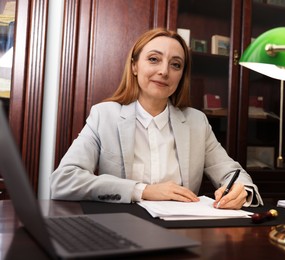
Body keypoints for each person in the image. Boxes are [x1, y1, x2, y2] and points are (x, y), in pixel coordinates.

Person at [50, 28, 262, 209]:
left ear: (181, 76)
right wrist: (143, 191)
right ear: (134, 66)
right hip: (120, 227)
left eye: (176, 65)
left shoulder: (197, 122)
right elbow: (63, 181)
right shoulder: (104, 115)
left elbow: (232, 172)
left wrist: (242, 191)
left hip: (180, 231)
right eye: (154, 59)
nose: (164, 71)